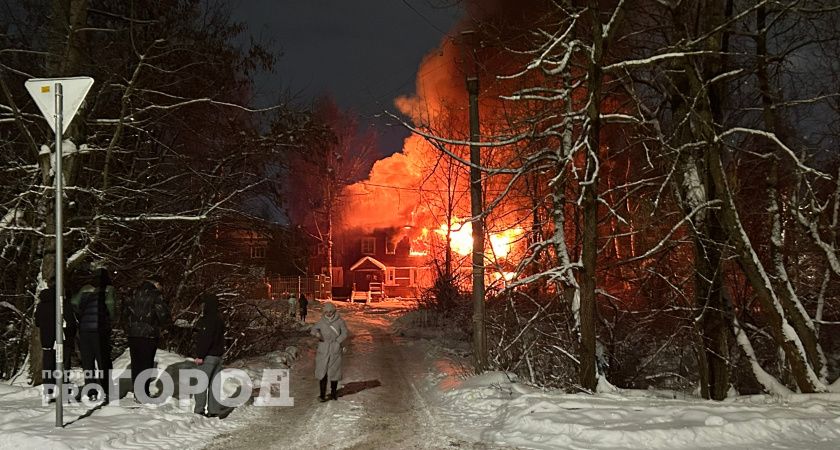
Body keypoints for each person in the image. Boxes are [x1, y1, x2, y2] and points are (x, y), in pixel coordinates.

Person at [71, 267, 115, 402]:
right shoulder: (108, 289)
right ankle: (106, 391)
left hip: (84, 330)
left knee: (88, 362)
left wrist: (82, 316)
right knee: (103, 361)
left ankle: (91, 392)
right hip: (99, 330)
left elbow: (73, 303)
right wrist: (110, 321)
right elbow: (110, 306)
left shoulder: (85, 289)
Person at [123, 279, 171, 399]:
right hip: (149, 334)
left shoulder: (132, 293)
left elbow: (124, 313)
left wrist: (127, 328)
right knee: (146, 363)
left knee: (136, 363)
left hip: (133, 334)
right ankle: (142, 392)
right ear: (156, 283)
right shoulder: (155, 295)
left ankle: (136, 391)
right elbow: (163, 315)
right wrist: (164, 325)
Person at [34, 276, 77, 402]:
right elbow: (71, 322)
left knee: (48, 366)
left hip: (46, 340)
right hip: (62, 339)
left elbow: (37, 322)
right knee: (63, 365)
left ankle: (49, 392)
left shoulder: (42, 304)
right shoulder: (63, 303)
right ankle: (63, 393)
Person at [194, 293, 225, 417]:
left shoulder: (207, 320)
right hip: (218, 356)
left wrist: (200, 355)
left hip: (208, 356)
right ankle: (214, 410)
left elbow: (206, 339)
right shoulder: (219, 319)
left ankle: (199, 410)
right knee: (215, 384)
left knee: (201, 384)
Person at [311, 302, 348, 402]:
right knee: (322, 372)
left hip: (335, 348)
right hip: (323, 349)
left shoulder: (340, 321)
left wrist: (337, 341)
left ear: (334, 311)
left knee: (334, 372)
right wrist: (317, 334)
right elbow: (313, 329)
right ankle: (322, 395)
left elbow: (344, 333)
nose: (328, 313)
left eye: (330, 311)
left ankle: (333, 393)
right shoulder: (321, 321)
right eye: (326, 312)